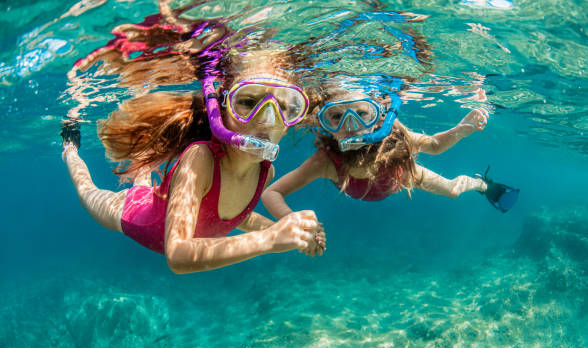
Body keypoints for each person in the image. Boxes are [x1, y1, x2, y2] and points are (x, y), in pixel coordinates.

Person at [62, 49, 324, 274]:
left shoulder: (265, 172)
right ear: (221, 110)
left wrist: (292, 233)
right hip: (134, 215)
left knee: (144, 182)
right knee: (88, 194)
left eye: (285, 107)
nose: (267, 119)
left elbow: (234, 217)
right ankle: (70, 149)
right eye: (247, 102)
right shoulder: (200, 158)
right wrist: (271, 238)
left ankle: (144, 168)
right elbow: (178, 255)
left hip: (159, 202)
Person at [262, 81, 518, 240]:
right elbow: (272, 192)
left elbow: (435, 146)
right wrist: (290, 220)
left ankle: (481, 184)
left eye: (362, 113)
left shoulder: (392, 131)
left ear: (377, 114)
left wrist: (461, 130)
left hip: (402, 176)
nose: (351, 126)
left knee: (452, 190)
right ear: (324, 123)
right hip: (368, 186)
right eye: (336, 117)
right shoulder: (326, 161)